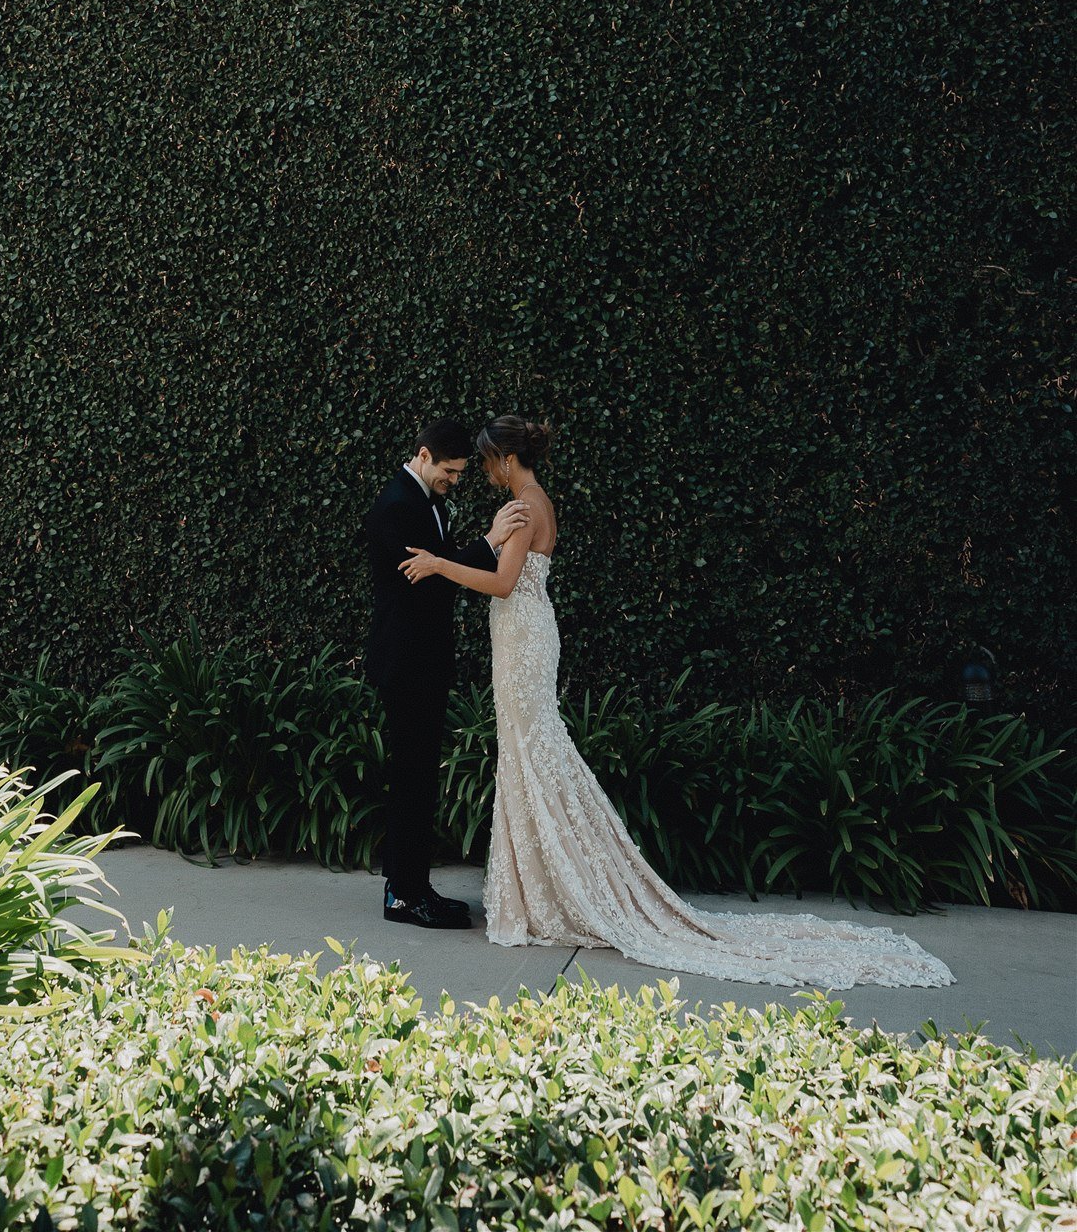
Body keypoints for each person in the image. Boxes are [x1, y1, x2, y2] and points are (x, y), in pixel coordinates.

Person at [399, 413, 955, 990]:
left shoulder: (523, 507)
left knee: (534, 751)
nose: (484, 470)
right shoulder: (533, 499)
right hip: (524, 636)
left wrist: (441, 564)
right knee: (529, 751)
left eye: (488, 461)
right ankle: (546, 887)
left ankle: (561, 891)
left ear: (507, 460)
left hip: (523, 637)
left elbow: (503, 582)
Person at [363, 415, 529, 930]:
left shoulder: (425, 500)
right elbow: (430, 581)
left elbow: (438, 566)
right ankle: (405, 896)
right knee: (411, 780)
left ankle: (410, 886)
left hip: (423, 662)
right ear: (424, 455)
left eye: (459, 473)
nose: (455, 480)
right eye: (450, 472)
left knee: (416, 778)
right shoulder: (397, 506)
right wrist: (490, 539)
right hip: (406, 663)